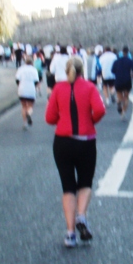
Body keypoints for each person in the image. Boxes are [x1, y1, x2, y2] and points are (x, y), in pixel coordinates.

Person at [45, 55, 106, 247]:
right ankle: (81, 216)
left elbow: (49, 117)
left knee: (68, 187)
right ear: (82, 70)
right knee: (85, 183)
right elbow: (100, 109)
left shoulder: (58, 88)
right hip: (85, 142)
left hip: (62, 142)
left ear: (66, 70)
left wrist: (61, 121)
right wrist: (91, 121)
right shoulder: (89, 87)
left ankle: (70, 234)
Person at [112, 45, 133, 121]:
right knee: (126, 97)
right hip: (127, 81)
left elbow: (112, 70)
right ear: (128, 52)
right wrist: (132, 75)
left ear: (121, 52)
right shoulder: (130, 61)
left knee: (119, 95)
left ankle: (119, 103)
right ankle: (123, 113)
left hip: (118, 80)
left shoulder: (116, 61)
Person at [16, 54, 40, 129]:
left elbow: (17, 80)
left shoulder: (20, 69)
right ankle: (29, 114)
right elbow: (36, 81)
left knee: (23, 107)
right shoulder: (34, 70)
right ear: (32, 63)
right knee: (30, 106)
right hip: (30, 90)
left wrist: (20, 86)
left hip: (22, 89)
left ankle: (25, 123)